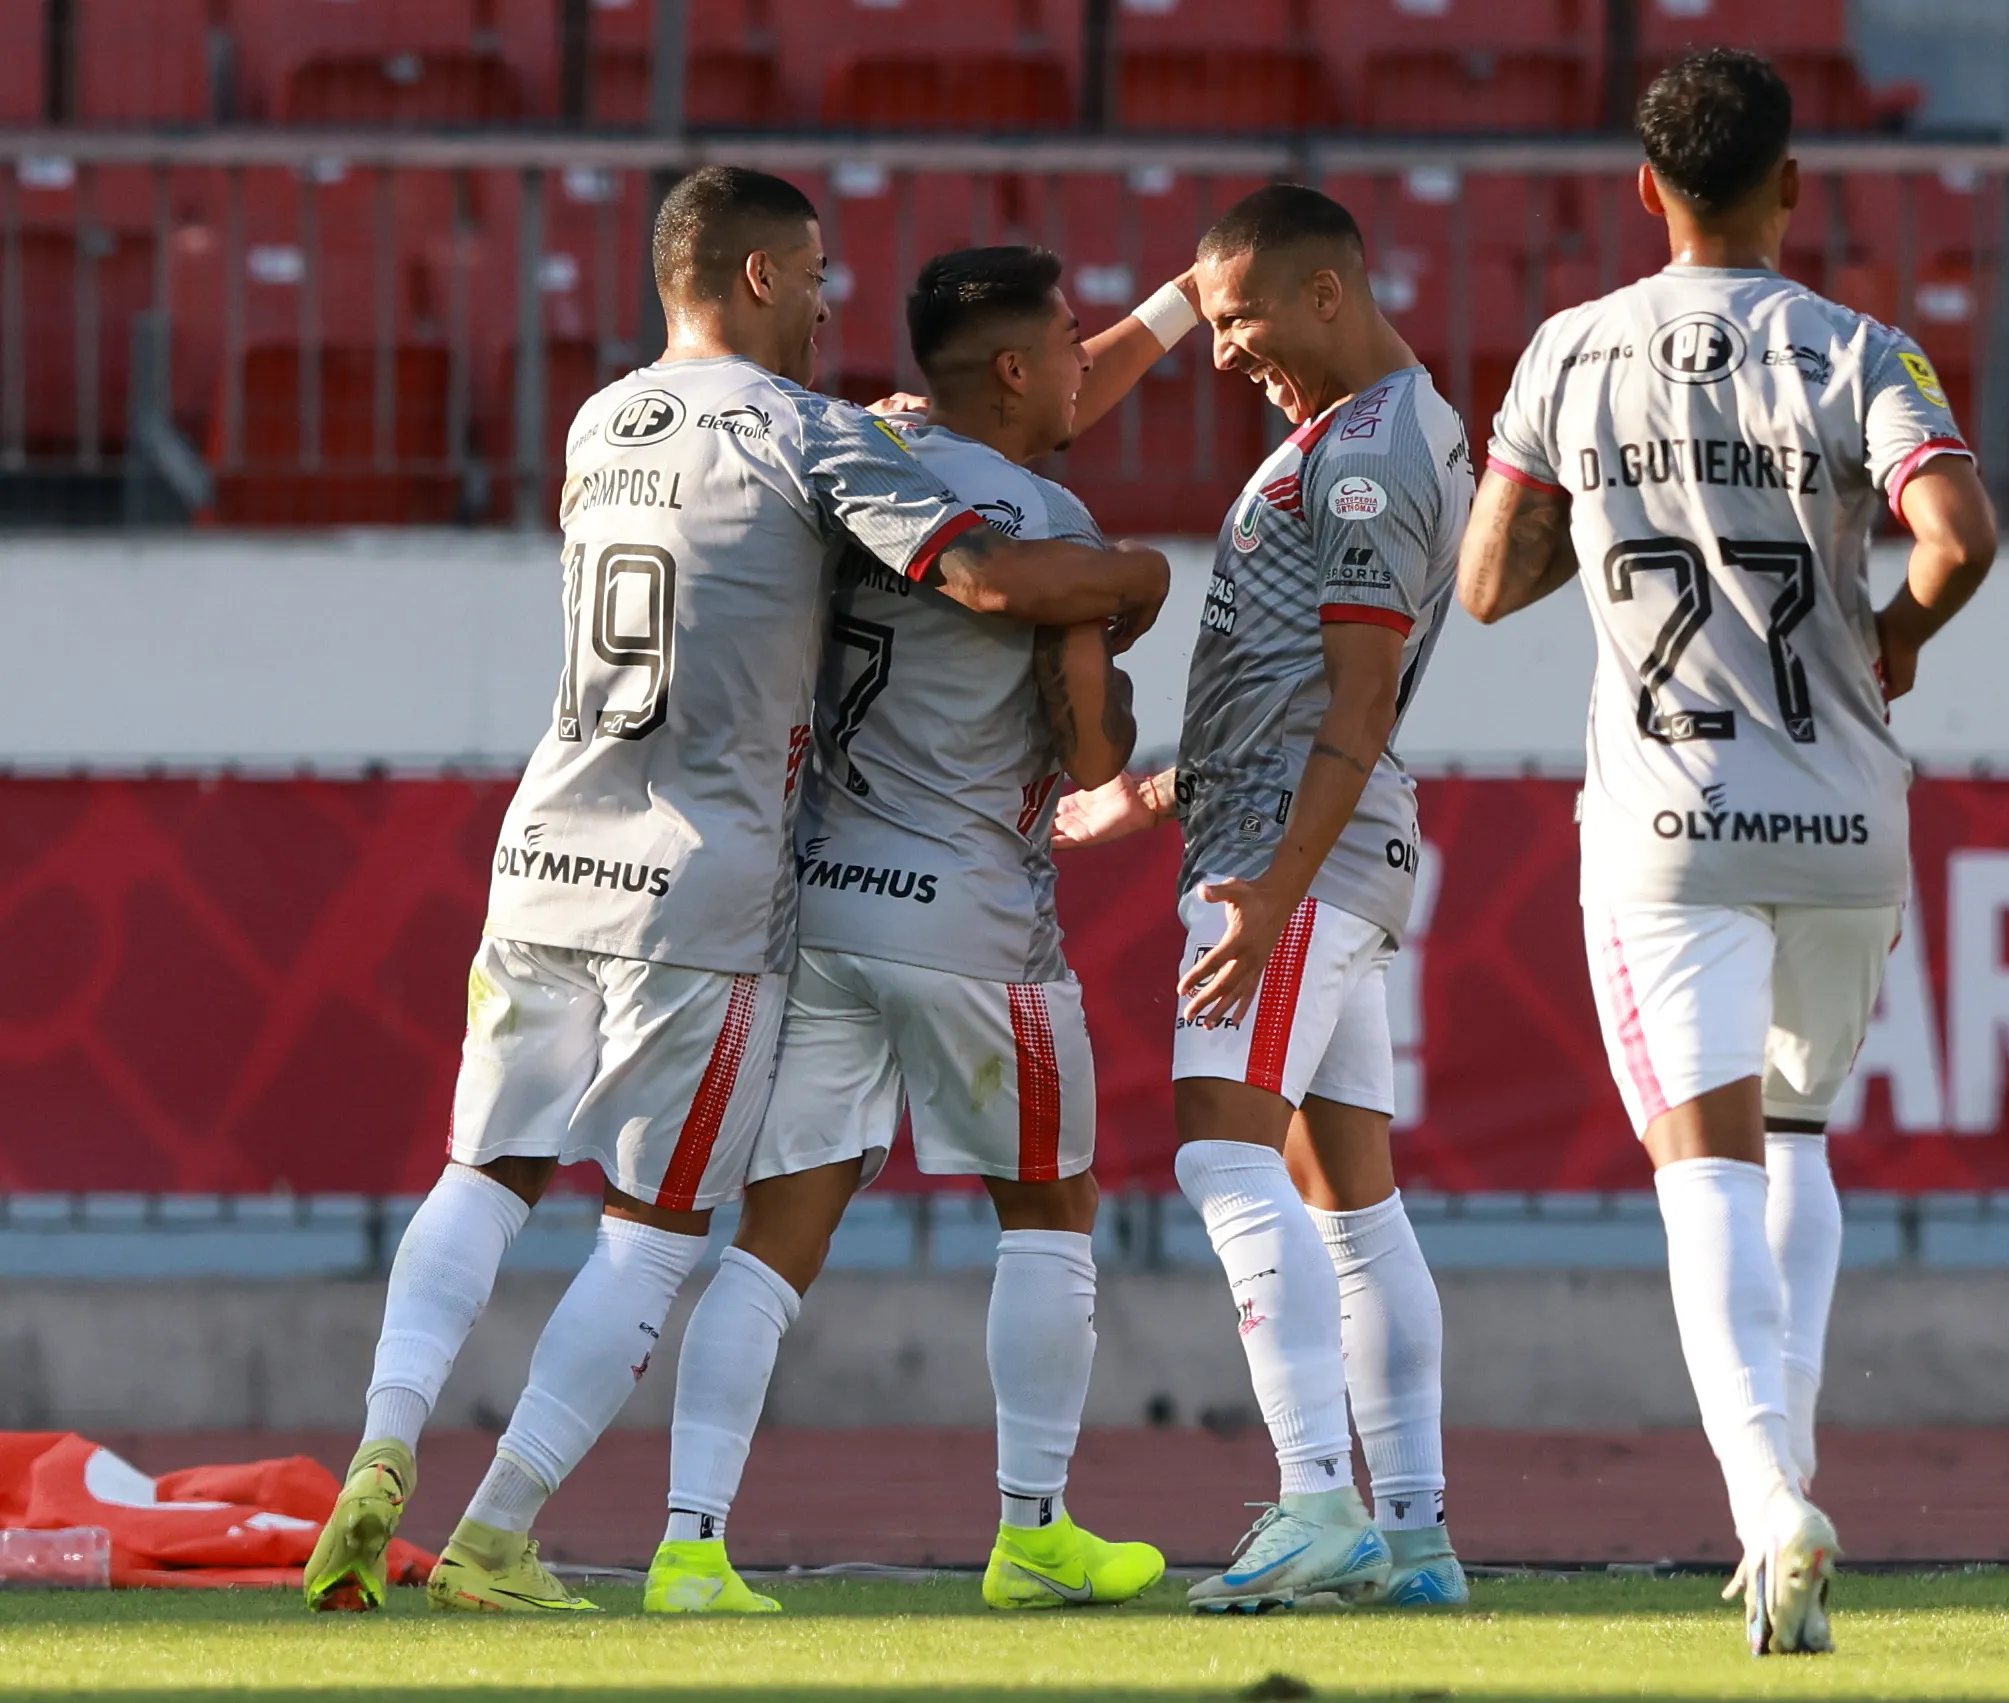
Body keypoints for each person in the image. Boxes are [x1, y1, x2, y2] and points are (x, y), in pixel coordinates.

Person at [300, 168, 1173, 1616]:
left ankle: (385, 1438)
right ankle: (499, 1531)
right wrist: (1131, 569)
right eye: (816, 274)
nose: (832, 303)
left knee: (485, 1173)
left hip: (545, 852)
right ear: (760, 278)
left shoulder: (599, 422)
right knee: (653, 1228)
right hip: (705, 892)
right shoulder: (811, 436)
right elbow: (995, 578)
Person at [1455, 49, 1996, 1654]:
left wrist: (1625, 508)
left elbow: (1485, 582)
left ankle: (1768, 1499)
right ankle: (1783, 1527)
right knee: (1798, 1135)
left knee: (1700, 1169)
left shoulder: (1569, 349)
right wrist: (1892, 632)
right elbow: (1958, 535)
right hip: (1840, 812)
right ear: (1791, 185)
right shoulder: (1857, 349)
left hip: (1666, 826)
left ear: (1641, 188)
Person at [639, 245, 1175, 1616]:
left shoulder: (850, 467)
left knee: (775, 1230)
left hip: (817, 898)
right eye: (1066, 342)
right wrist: (1116, 613)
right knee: (1048, 1202)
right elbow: (1088, 751)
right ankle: (1033, 1529)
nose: (1080, 364)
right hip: (971, 919)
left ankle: (690, 1540)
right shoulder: (1045, 517)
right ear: (1011, 368)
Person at [1055, 184, 1474, 1612]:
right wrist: (1146, 798)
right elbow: (1296, 700)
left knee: (1218, 1154)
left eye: (1238, 320)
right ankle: (1412, 1533)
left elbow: (1356, 699)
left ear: (1326, 293)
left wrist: (1266, 893)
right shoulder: (1368, 432)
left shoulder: (1358, 458)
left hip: (1295, 859)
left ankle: (1314, 1497)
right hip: (1305, 842)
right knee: (1349, 1202)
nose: (1227, 353)